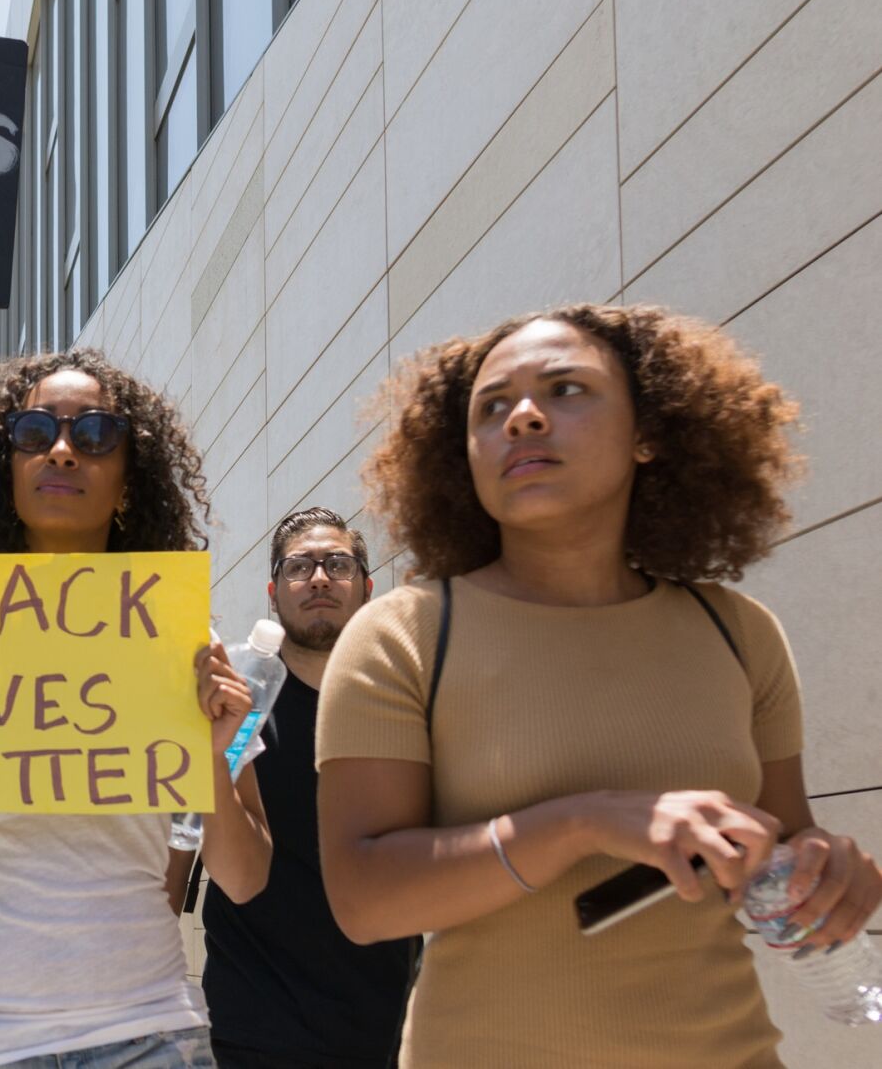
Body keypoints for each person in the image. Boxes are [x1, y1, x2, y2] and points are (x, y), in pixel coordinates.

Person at [315, 304, 882, 1066]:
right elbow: (363, 898)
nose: (521, 418)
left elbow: (778, 839)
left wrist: (823, 870)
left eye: (565, 390)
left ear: (649, 432)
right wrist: (583, 823)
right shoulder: (402, 636)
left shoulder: (737, 632)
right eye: (490, 407)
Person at [0, 348, 273, 1069]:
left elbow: (244, 876)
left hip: (148, 1032)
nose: (63, 452)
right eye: (34, 433)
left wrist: (208, 757)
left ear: (129, 482)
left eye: (96, 434)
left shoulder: (180, 640)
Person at [167, 507, 411, 1069]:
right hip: (255, 1032)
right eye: (300, 567)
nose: (320, 578)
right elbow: (179, 856)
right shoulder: (231, 707)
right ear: (274, 592)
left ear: (367, 588)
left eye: (338, 564)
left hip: (389, 1031)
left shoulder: (404, 710)